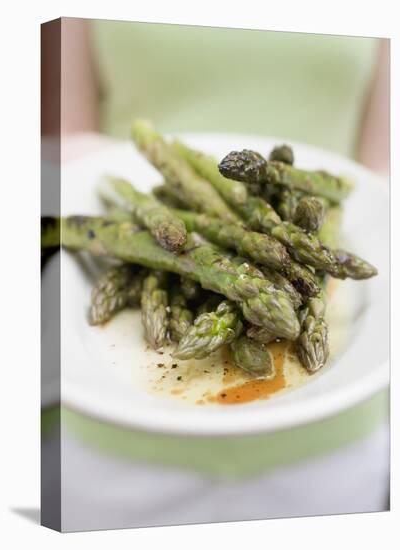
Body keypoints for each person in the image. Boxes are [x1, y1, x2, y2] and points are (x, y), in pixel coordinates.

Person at [41, 18, 390, 531]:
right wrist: (75, 169)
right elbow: (68, 130)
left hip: (327, 443)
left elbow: (384, 169)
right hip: (119, 451)